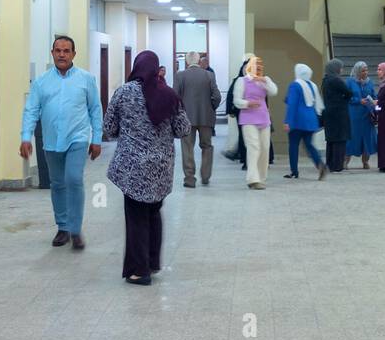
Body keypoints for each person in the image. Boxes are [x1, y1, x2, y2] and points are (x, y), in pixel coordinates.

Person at [103, 50, 190, 287]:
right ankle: (152, 263)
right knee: (153, 211)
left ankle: (139, 271)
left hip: (132, 167)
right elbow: (183, 129)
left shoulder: (123, 93)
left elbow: (109, 128)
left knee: (136, 216)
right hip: (160, 167)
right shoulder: (168, 95)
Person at [20, 35, 103, 250]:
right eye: (58, 50)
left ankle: (75, 230)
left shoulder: (86, 79)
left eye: (66, 51)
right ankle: (63, 227)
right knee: (57, 184)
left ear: (74, 54)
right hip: (51, 140)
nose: (62, 54)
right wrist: (25, 137)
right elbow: (31, 110)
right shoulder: (41, 82)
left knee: (73, 179)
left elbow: (95, 109)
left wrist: (96, 139)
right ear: (52, 53)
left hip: (77, 138)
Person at [173, 52, 221, 188]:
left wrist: (179, 113)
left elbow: (174, 97)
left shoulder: (180, 76)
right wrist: (211, 108)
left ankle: (189, 178)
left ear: (187, 62)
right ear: (199, 61)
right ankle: (205, 176)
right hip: (206, 117)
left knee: (187, 147)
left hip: (186, 118)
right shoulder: (209, 75)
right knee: (207, 146)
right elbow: (217, 96)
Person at [232, 53, 277, 189]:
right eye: (255, 66)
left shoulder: (265, 79)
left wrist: (265, 82)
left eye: (260, 66)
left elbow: (274, 91)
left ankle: (261, 178)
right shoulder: (241, 81)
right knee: (253, 147)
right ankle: (253, 179)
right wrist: (247, 104)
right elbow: (236, 100)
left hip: (264, 118)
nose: (258, 68)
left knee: (264, 148)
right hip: (248, 119)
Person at [283, 63, 327, 180]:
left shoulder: (295, 85)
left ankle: (294, 172)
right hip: (311, 119)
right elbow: (316, 103)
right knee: (309, 145)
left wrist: (288, 121)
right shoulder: (312, 85)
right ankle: (320, 164)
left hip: (297, 120)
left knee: (293, 145)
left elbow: (292, 105)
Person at [321, 58, 352, 172]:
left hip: (328, 113)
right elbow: (349, 93)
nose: (342, 69)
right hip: (339, 113)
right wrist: (344, 100)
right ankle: (338, 165)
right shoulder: (336, 80)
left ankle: (330, 163)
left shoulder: (325, 80)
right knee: (340, 139)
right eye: (340, 67)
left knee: (331, 140)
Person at [345, 60, 377, 169]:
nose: (366, 72)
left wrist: (374, 101)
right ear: (358, 71)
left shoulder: (369, 82)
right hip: (354, 115)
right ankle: (345, 161)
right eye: (363, 71)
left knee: (367, 139)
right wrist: (358, 100)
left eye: (366, 70)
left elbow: (373, 95)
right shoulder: (349, 82)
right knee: (352, 138)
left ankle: (365, 161)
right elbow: (346, 97)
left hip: (367, 115)